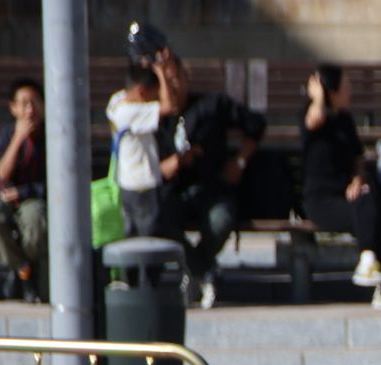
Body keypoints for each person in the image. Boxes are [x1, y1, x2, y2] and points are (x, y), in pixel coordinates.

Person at [154, 52, 267, 309]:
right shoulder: (153, 118)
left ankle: (195, 270)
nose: (172, 87)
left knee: (221, 219)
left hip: (213, 189)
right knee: (155, 218)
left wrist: (239, 161)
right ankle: (202, 269)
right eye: (164, 82)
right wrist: (172, 164)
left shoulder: (212, 106)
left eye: (176, 79)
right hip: (172, 194)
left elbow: (256, 125)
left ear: (186, 77)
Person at [301, 64, 381, 310]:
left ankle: (369, 262)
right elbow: (315, 120)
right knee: (368, 213)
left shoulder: (346, 120)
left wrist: (358, 179)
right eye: (346, 86)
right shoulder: (310, 115)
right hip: (321, 201)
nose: (351, 90)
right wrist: (319, 96)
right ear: (331, 92)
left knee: (368, 199)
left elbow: (358, 159)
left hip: (349, 195)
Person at [0, 76, 47, 304]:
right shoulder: (8, 134)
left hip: (35, 196)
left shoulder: (51, 136)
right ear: (13, 108)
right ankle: (24, 270)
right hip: (5, 196)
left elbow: (57, 182)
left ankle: (22, 273)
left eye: (35, 102)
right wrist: (18, 139)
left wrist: (24, 193)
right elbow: (3, 174)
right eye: (24, 103)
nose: (30, 110)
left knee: (35, 219)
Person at [105, 59, 177, 241]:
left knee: (131, 238)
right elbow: (170, 106)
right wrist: (161, 73)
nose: (157, 98)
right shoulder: (131, 112)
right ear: (141, 92)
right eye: (154, 95)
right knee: (148, 243)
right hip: (142, 185)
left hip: (126, 183)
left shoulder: (116, 102)